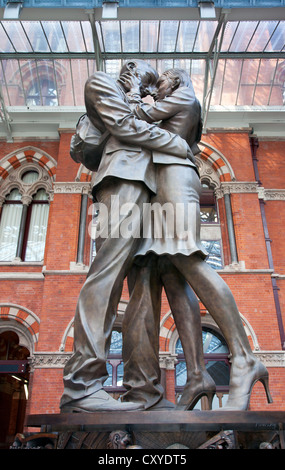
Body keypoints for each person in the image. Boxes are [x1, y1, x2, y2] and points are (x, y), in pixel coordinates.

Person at [121, 68, 272, 411]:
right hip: (163, 183)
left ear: (174, 80)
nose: (154, 90)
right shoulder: (174, 100)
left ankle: (245, 358)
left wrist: (133, 91)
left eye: (158, 83)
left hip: (175, 179)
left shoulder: (183, 96)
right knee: (173, 275)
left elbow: (135, 119)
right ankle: (196, 375)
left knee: (189, 259)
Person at [60, 60, 194, 413]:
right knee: (106, 276)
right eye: (144, 80)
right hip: (120, 182)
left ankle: (144, 391)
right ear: (129, 71)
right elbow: (123, 126)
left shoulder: (146, 103)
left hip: (152, 192)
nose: (148, 90)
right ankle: (82, 385)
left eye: (152, 86)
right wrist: (175, 143)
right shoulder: (101, 83)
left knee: (145, 292)